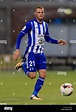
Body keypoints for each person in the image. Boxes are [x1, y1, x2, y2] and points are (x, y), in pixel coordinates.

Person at [13, 6, 67, 100]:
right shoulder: (31, 24)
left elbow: (47, 39)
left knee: (43, 73)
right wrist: (17, 49)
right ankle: (24, 65)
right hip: (31, 53)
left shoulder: (45, 25)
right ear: (35, 13)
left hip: (40, 54)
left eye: (42, 12)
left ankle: (34, 95)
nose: (41, 14)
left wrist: (57, 41)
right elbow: (20, 36)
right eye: (39, 12)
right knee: (32, 76)